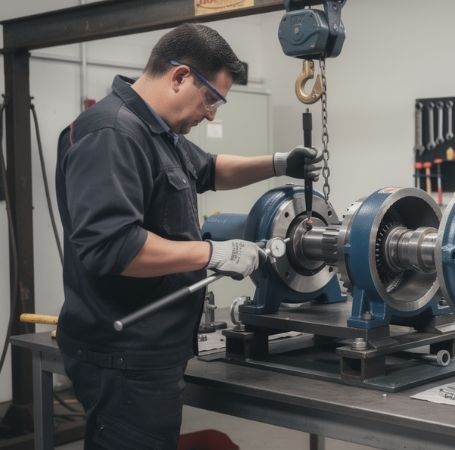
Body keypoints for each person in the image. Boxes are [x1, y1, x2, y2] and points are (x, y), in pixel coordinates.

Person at [54, 23, 319, 449]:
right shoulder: (112, 133)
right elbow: (112, 247)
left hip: (152, 348)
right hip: (124, 352)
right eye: (211, 99)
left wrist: (278, 162)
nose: (212, 113)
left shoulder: (157, 131)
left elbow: (210, 169)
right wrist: (214, 252)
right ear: (179, 77)